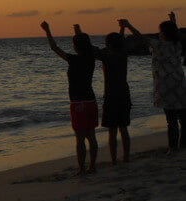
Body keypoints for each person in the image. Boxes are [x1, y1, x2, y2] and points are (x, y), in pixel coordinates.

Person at [120, 12, 186, 153]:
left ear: (164, 33)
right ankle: (183, 144)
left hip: (165, 88)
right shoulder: (177, 45)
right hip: (180, 85)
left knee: (171, 120)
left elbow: (140, 37)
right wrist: (174, 20)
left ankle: (173, 148)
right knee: (183, 118)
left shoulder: (158, 45)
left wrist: (127, 25)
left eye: (160, 31)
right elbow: (176, 33)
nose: (159, 33)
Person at [41, 21, 98, 174]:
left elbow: (54, 48)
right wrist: (78, 31)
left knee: (80, 138)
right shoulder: (91, 58)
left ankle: (81, 168)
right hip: (91, 101)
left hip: (78, 102)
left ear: (75, 46)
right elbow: (85, 43)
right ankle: (92, 166)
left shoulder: (74, 59)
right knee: (91, 136)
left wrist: (47, 30)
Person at [75, 23, 131, 164]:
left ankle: (113, 160)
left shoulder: (106, 56)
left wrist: (78, 32)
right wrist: (122, 29)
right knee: (123, 129)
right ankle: (126, 158)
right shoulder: (123, 53)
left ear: (108, 44)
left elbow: (88, 48)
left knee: (112, 131)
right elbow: (121, 41)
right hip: (124, 94)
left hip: (111, 97)